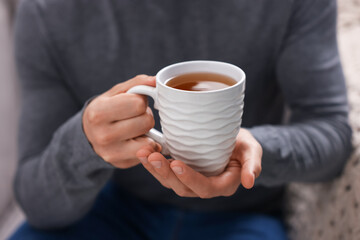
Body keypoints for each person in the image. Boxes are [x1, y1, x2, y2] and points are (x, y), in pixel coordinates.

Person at [10, 0, 352, 239]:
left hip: (243, 215)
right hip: (113, 208)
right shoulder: (46, 13)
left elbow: (333, 134)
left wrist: (255, 148)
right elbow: (37, 202)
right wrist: (85, 142)